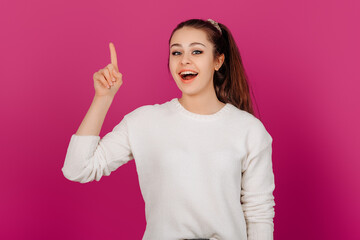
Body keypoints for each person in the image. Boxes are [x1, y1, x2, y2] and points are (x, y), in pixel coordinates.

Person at [62, 18, 275, 240]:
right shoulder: (145, 121)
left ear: (218, 61)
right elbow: (77, 168)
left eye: (197, 52)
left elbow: (259, 213)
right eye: (176, 53)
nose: (184, 61)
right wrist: (102, 98)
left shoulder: (248, 129)